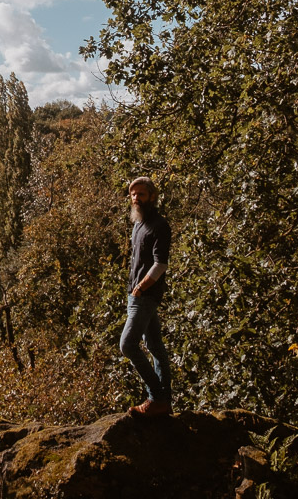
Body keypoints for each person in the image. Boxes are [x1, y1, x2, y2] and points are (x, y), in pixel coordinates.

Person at [121, 175, 173, 417]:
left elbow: (160, 264)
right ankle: (164, 404)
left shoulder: (159, 225)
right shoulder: (138, 223)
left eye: (141, 194)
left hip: (145, 295)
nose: (136, 198)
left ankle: (156, 397)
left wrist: (141, 287)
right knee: (155, 347)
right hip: (136, 294)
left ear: (152, 196)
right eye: (133, 194)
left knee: (128, 345)